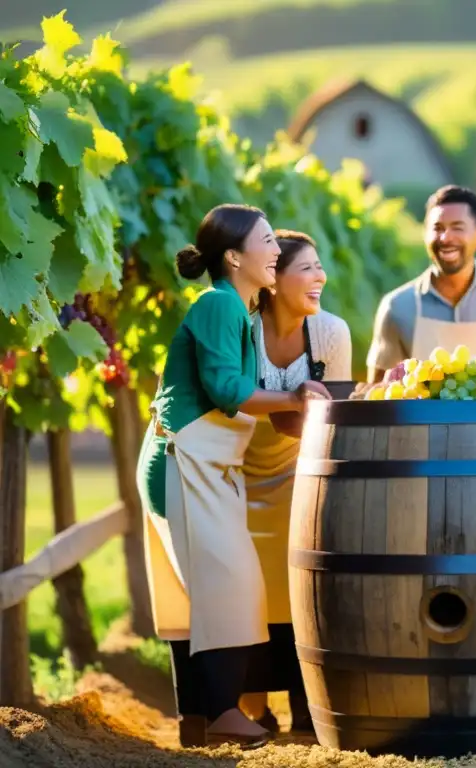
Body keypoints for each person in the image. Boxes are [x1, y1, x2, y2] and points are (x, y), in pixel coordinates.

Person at [136, 204, 330, 750]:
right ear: (235, 257)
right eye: (267, 242)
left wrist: (306, 406)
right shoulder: (220, 304)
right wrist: (293, 396)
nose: (276, 251)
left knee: (237, 582)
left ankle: (218, 712)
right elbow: (227, 391)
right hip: (182, 460)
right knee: (226, 581)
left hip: (205, 462)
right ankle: (221, 712)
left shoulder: (235, 310)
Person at [237, 229, 352, 734]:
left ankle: (308, 704)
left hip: (300, 470)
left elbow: (333, 418)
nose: (320, 277)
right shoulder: (242, 330)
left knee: (302, 585)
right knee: (245, 591)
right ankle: (251, 706)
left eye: (320, 266)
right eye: (307, 268)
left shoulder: (330, 332)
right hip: (234, 471)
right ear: (273, 278)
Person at [364, 184, 476, 380]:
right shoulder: (397, 306)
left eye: (457, 228)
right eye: (437, 228)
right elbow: (376, 396)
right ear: (425, 234)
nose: (446, 238)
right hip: (424, 412)